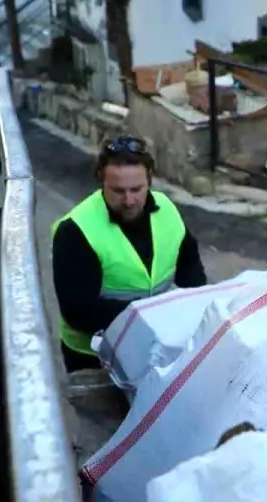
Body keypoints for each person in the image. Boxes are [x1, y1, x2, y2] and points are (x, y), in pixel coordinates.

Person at [52, 136, 207, 372]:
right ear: (101, 182)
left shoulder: (166, 208)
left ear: (149, 181)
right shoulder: (76, 230)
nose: (129, 200)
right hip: (94, 356)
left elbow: (191, 271)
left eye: (137, 189)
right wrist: (153, 316)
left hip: (154, 345)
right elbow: (78, 311)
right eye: (118, 191)